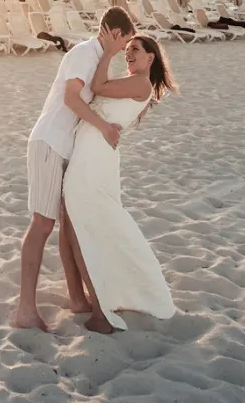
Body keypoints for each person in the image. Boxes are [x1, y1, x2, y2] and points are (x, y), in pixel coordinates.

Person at [10, 7, 135, 331]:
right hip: (50, 142)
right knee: (42, 223)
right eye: (125, 43)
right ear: (115, 33)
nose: (124, 50)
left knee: (68, 223)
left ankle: (77, 298)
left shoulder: (97, 58)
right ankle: (25, 310)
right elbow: (70, 98)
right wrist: (105, 127)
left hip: (66, 148)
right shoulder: (83, 53)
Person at [63, 33, 179, 333]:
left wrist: (109, 52)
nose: (128, 54)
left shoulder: (141, 83)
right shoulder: (136, 83)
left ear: (150, 58)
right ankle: (100, 298)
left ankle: (101, 312)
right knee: (93, 224)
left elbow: (98, 86)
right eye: (126, 50)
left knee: (84, 227)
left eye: (134, 50)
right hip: (93, 152)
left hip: (94, 157)